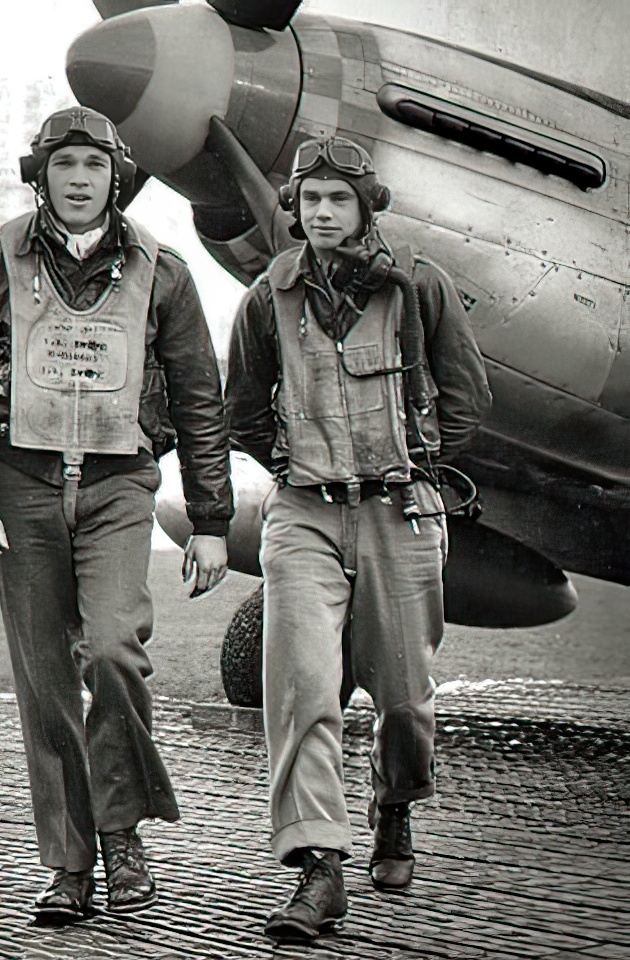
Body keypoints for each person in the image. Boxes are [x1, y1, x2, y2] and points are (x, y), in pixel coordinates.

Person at [0, 106, 232, 920]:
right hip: (19, 489)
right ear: (41, 175)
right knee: (46, 687)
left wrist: (209, 517)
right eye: (63, 166)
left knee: (113, 653)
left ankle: (122, 830)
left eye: (94, 167)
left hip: (118, 486)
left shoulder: (163, 272)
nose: (78, 181)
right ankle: (69, 865)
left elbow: (202, 401)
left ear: (117, 178)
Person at [225, 136, 491, 941]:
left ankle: (395, 803)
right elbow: (242, 405)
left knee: (406, 703)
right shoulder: (267, 297)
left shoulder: (419, 289)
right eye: (309, 202)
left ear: (366, 205)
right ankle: (318, 869)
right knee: (303, 690)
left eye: (339, 199)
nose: (323, 214)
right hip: (304, 514)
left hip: (401, 514)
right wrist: (289, 459)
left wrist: (418, 457)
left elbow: (467, 396)